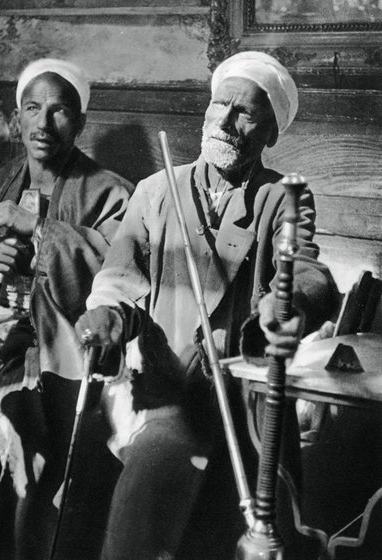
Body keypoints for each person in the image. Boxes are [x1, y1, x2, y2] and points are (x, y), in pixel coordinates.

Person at [75, 51, 338, 560]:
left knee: (263, 533)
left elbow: (308, 270)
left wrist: (286, 305)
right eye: (219, 105)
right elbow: (118, 280)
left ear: (271, 133)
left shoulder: (282, 198)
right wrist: (107, 313)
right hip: (170, 394)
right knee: (141, 516)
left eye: (245, 113)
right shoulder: (156, 191)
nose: (225, 121)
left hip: (248, 403)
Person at [0, 58, 131, 560]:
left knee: (16, 433)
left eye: (60, 111)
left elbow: (117, 274)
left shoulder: (110, 190)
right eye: (32, 109)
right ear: (17, 117)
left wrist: (38, 228)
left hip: (59, 352)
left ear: (81, 122)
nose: (44, 124)